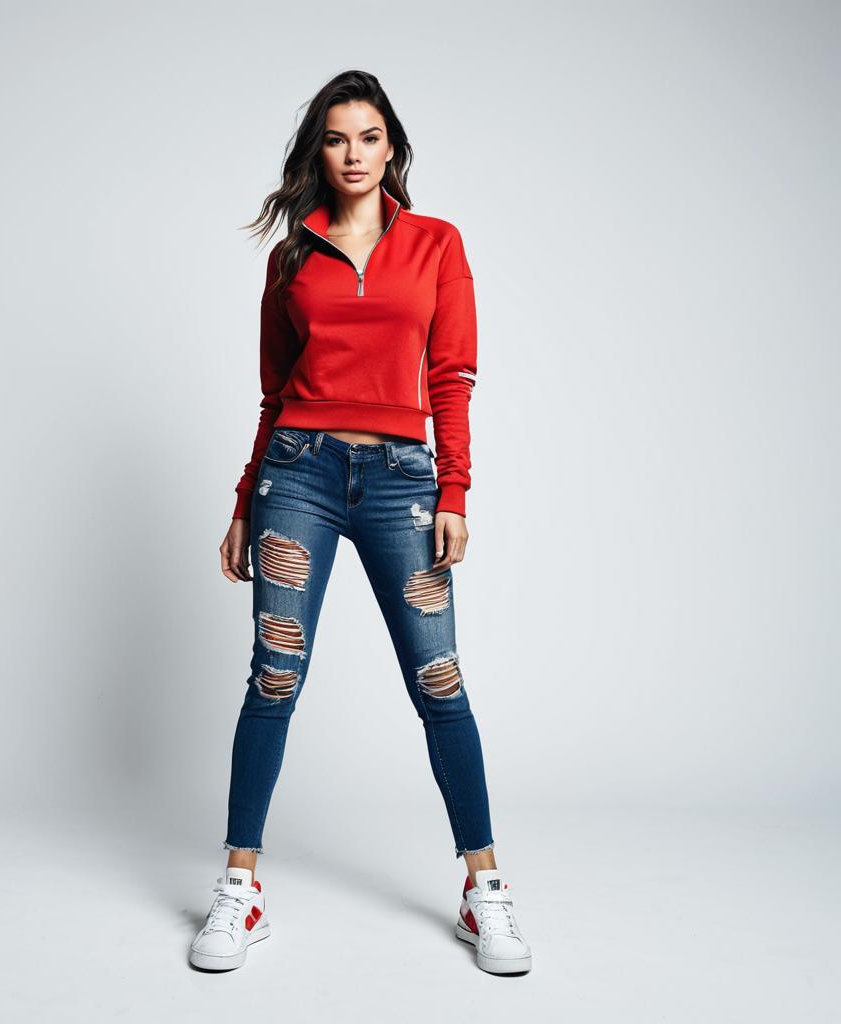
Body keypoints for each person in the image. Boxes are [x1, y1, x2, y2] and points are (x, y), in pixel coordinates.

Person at [189, 70, 532, 976]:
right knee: (274, 676)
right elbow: (273, 394)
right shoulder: (292, 256)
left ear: (392, 147)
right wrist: (240, 502)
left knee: (439, 678)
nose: (352, 153)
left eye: (368, 137)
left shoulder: (435, 245)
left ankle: (483, 888)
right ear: (319, 149)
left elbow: (451, 376)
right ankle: (240, 887)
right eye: (337, 138)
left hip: (400, 483)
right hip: (296, 475)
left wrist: (454, 492)